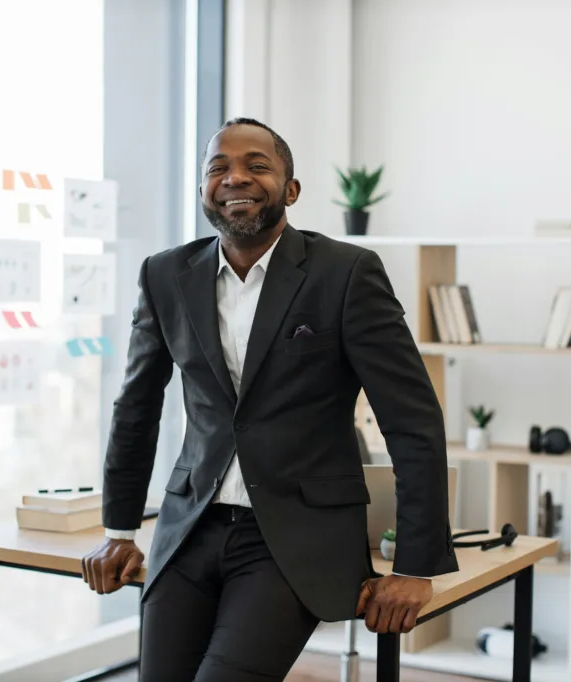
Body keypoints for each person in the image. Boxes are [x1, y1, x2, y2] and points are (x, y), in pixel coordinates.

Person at [80, 118, 458, 682]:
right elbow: (136, 406)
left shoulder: (347, 274)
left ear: (291, 188)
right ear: (204, 188)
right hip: (190, 526)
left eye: (257, 165)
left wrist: (415, 566)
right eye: (218, 168)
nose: (236, 177)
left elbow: (412, 422)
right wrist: (119, 530)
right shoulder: (165, 275)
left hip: (295, 537)